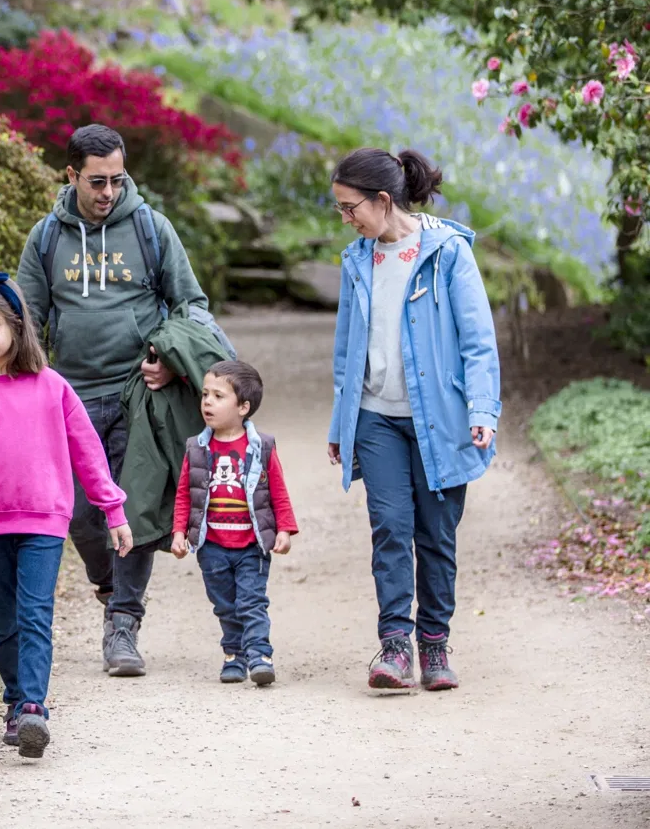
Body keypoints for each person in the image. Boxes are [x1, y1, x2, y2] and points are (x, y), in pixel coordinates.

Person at [15, 123, 217, 678]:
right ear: (72, 175)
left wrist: (166, 357)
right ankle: (110, 587)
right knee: (80, 514)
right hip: (71, 395)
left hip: (137, 391)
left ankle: (123, 623)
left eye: (117, 180)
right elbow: (25, 319)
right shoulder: (47, 237)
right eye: (97, 181)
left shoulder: (152, 229)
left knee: (130, 507)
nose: (108, 192)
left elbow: (191, 305)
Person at [0, 272, 134, 759]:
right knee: (4, 619)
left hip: (44, 521)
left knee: (34, 614)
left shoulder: (52, 387)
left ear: (17, 326)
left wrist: (113, 509)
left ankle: (32, 708)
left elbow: (88, 453)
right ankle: (12, 705)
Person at [327, 147, 500, 692]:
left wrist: (482, 409)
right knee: (391, 528)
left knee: (436, 535)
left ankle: (434, 644)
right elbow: (345, 351)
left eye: (350, 207)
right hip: (377, 417)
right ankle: (396, 646)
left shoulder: (447, 252)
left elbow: (478, 342)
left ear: (383, 200)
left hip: (441, 419)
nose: (346, 218)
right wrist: (341, 423)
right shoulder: (357, 260)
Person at [170, 360, 297, 686]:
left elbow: (278, 491)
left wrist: (284, 529)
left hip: (251, 544)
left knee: (252, 601)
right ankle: (233, 654)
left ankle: (259, 654)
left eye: (218, 396)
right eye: (205, 395)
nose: (207, 402)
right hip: (211, 545)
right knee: (225, 604)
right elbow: (185, 494)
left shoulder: (261, 447)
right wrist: (179, 532)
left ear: (243, 407)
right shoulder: (197, 449)